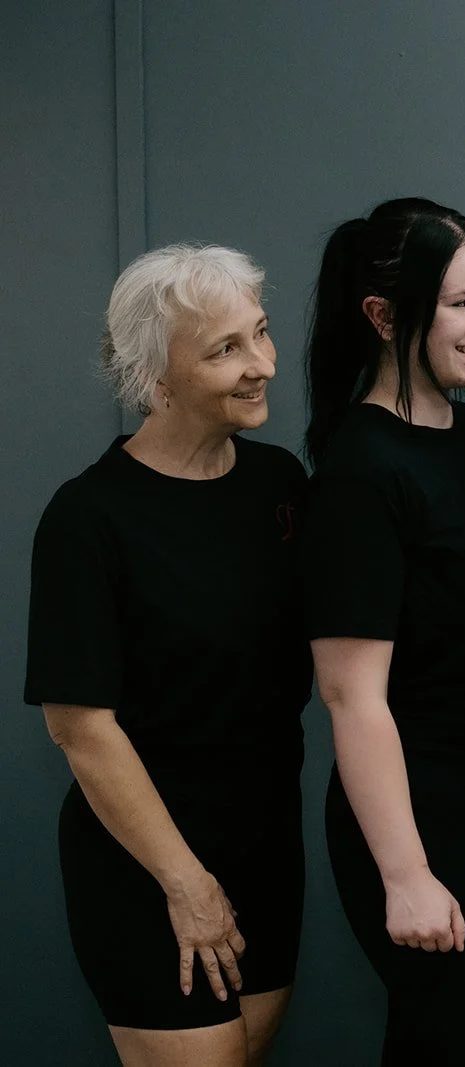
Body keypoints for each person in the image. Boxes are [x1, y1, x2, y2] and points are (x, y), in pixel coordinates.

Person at [299, 197, 465, 1064]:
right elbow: (350, 694)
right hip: (423, 819)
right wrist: (407, 873)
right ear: (383, 315)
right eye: (462, 303)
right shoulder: (360, 466)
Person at [25, 245, 309, 1066]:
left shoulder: (279, 484)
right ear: (156, 377)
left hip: (267, 850)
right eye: (225, 349)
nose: (261, 366)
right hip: (149, 870)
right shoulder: (89, 518)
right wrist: (185, 884)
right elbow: (80, 728)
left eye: (260, 334)